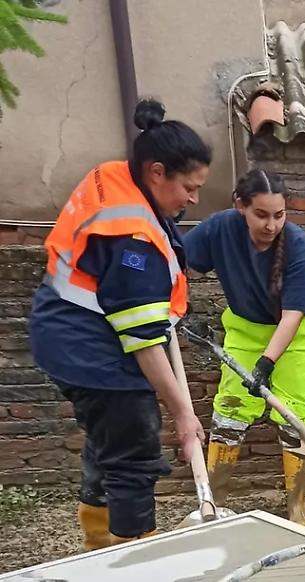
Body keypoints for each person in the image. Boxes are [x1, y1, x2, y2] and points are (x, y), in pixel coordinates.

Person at [29, 98, 210, 550]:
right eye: (188, 187)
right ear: (156, 172)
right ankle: (133, 561)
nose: (194, 198)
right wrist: (184, 416)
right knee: (133, 454)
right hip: (89, 346)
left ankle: (97, 544)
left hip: (63, 329)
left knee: (107, 436)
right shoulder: (134, 238)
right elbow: (146, 342)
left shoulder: (115, 176)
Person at [183, 169, 305, 526]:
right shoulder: (219, 229)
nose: (271, 225)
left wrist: (266, 362)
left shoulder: (295, 243)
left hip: (297, 332)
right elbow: (177, 263)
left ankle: (297, 505)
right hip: (246, 330)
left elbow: (293, 315)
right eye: (261, 214)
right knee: (229, 412)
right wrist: (180, 309)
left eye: (279, 215)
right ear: (241, 207)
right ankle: (214, 503)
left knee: (294, 416)